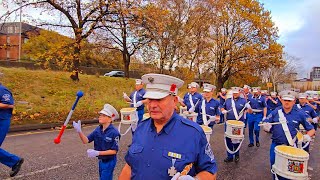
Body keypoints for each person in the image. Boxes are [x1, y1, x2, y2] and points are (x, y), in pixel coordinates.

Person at [119, 73, 217, 180]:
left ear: (174, 101)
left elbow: (210, 171)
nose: (152, 105)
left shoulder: (194, 133)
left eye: (159, 99)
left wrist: (196, 179)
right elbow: (129, 166)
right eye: (150, 99)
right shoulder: (141, 127)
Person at [261, 90, 315, 180]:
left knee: (289, 172)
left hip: (291, 147)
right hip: (276, 145)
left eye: (289, 100)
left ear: (294, 101)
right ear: (281, 100)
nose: (287, 102)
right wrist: (266, 126)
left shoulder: (299, 113)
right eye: (285, 100)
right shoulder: (276, 111)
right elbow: (266, 121)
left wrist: (307, 137)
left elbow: (311, 129)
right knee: (275, 168)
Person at [73, 104, 121, 180]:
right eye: (100, 115)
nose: (100, 116)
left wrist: (97, 153)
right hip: (101, 160)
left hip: (109, 161)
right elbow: (86, 140)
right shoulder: (98, 129)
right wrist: (79, 131)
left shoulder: (114, 133)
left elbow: (114, 151)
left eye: (103, 115)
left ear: (110, 119)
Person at [0, 83, 24, 177]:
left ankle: (15, 161)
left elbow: (9, 104)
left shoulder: (2, 90)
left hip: (2, 121)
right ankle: (15, 161)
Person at [221, 87, 249, 163]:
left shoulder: (243, 101)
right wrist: (223, 110)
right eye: (234, 93)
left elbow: (249, 111)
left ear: (239, 93)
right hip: (229, 123)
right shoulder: (228, 100)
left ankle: (236, 154)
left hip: (238, 124)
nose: (235, 94)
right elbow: (222, 107)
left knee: (236, 140)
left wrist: (249, 108)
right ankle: (229, 156)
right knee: (228, 139)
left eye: (236, 93)